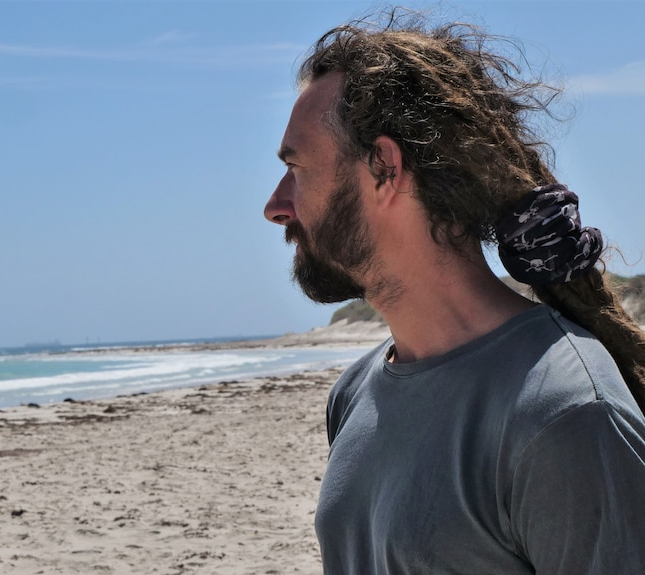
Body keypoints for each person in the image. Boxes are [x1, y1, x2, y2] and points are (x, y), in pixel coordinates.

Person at [263, 8, 645, 575]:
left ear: (385, 168)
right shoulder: (353, 395)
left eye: (298, 169)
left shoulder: (565, 413)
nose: (276, 205)